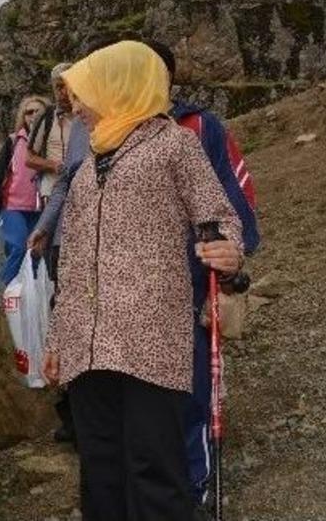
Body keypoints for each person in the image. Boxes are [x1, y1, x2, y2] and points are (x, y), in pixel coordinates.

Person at [41, 40, 243, 521]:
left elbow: (219, 216)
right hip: (88, 346)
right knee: (101, 474)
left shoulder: (175, 144)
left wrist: (229, 251)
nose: (79, 108)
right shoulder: (88, 163)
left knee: (154, 474)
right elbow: (70, 263)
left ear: (120, 87)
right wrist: (56, 338)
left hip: (149, 339)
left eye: (87, 95)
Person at [141, 41, 260, 508]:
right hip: (137, 290)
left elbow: (235, 192)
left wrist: (232, 254)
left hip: (191, 282)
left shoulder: (199, 126)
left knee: (192, 390)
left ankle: (195, 489)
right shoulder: (106, 136)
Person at [0, 95, 49, 283]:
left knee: (36, 255)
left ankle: (30, 305)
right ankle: (8, 297)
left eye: (38, 111)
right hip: (12, 208)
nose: (33, 115)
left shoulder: (51, 143)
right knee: (17, 248)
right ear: (23, 116)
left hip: (41, 209)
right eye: (29, 112)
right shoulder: (13, 141)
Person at [25, 62, 76, 208]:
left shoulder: (87, 114)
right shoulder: (46, 116)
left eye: (68, 86)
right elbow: (29, 158)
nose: (64, 93)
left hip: (82, 191)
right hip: (53, 193)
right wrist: (54, 165)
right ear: (53, 89)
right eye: (59, 87)